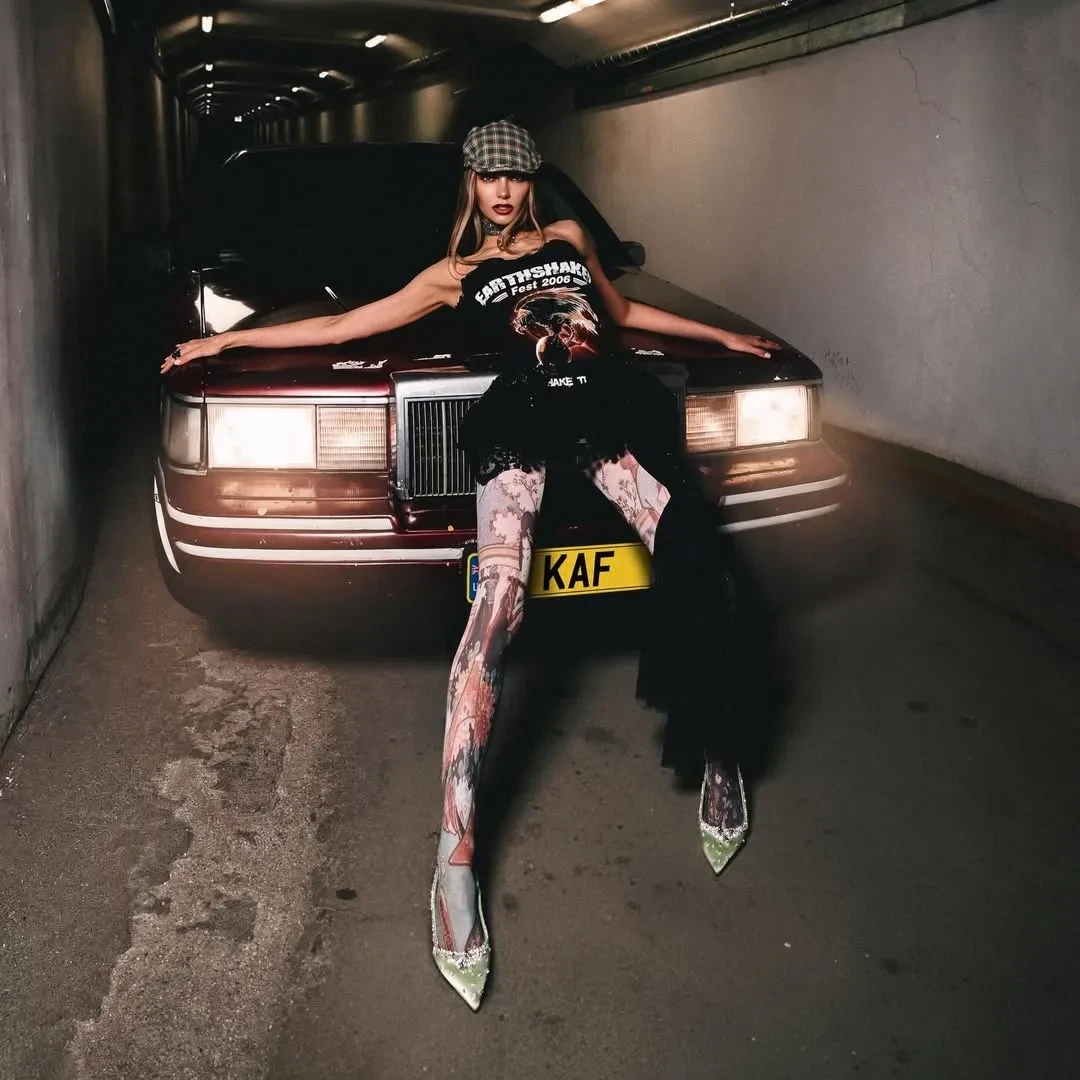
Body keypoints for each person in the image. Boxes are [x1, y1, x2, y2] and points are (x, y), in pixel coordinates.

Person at [162, 119, 779, 1011]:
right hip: (522, 424)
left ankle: (717, 751)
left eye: (516, 177)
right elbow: (341, 324)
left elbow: (625, 315)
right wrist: (222, 346)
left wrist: (726, 340)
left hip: (602, 415)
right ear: (472, 183)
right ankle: (454, 861)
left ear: (532, 183)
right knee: (498, 604)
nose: (503, 191)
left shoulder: (568, 240)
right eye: (489, 177)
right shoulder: (453, 274)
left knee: (693, 550)